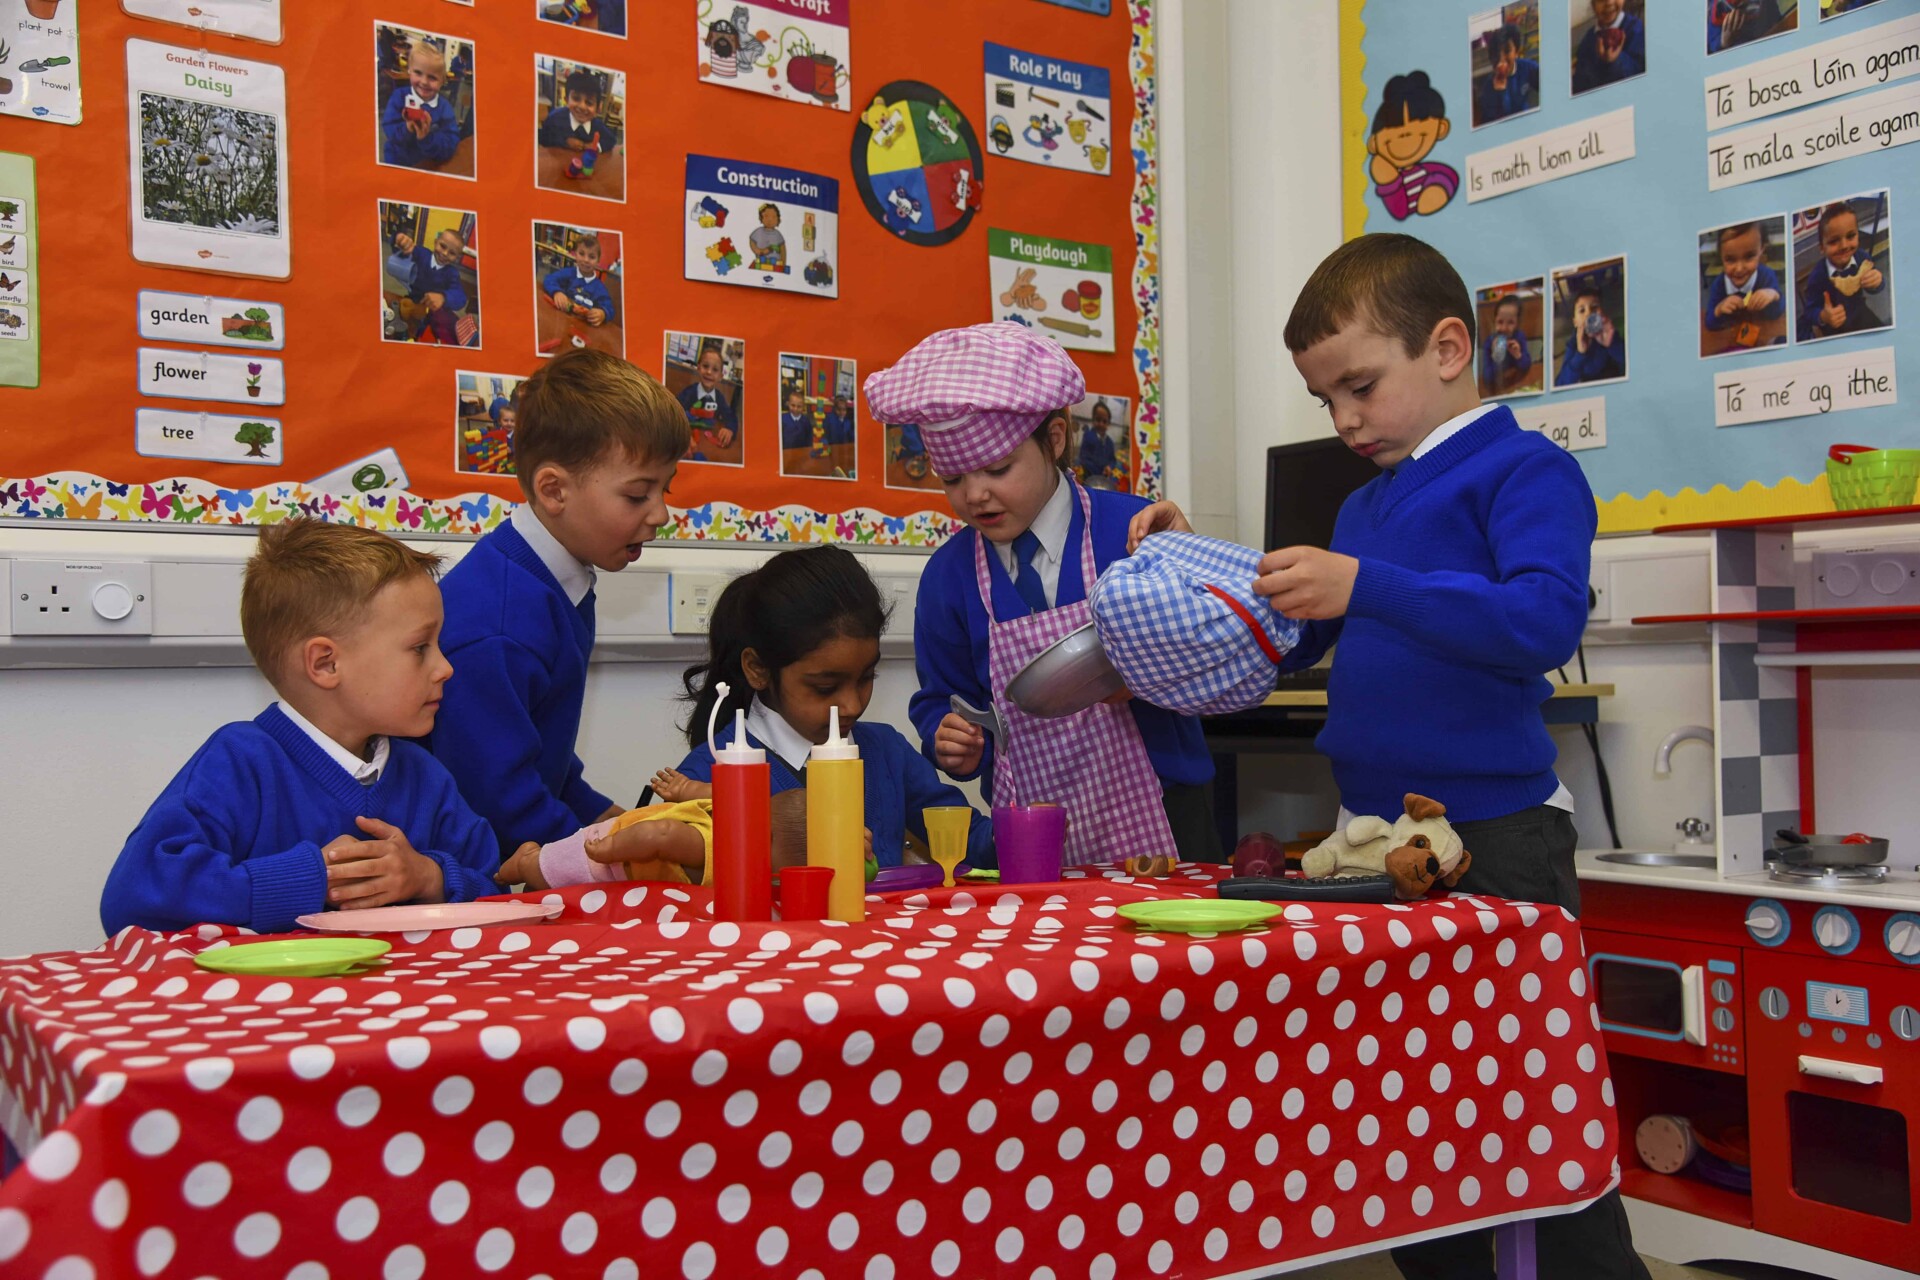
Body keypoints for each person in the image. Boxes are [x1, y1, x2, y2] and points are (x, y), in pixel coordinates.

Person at [1129, 233, 1647, 1280]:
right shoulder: (1364, 505)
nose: (1344, 420)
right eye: (1326, 400)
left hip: (1498, 841)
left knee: (1528, 1110)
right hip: (1373, 846)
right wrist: (1204, 565)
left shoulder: (1527, 470)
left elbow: (1542, 621)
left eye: (1359, 387)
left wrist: (1363, 583)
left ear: (1447, 348)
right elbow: (1299, 634)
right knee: (1407, 1120)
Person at [868, 322, 1217, 865]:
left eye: (998, 468)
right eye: (952, 479)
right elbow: (943, 699)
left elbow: (1210, 656)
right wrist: (948, 739)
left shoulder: (1134, 532)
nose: (975, 495)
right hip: (1027, 830)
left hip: (1168, 812)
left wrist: (1152, 667)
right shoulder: (948, 578)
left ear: (1054, 439)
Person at [101, 521, 499, 935]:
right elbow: (131, 899)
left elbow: (497, 890)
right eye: (420, 648)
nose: (445, 668)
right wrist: (312, 879)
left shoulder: (425, 776)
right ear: (325, 664)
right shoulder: (240, 763)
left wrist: (429, 878)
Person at [427, 349, 688, 855]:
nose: (660, 514)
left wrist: (609, 819)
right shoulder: (499, 623)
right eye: (638, 495)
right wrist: (599, 851)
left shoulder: (556, 581)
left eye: (666, 490)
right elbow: (497, 798)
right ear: (553, 491)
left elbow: (539, 752)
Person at [609, 545, 992, 871]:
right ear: (758, 669)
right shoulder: (708, 772)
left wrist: (1027, 820)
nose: (852, 704)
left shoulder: (889, 752)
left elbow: (969, 842)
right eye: (825, 687)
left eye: (866, 677)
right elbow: (692, 886)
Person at [494, 798, 713, 890]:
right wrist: (610, 848)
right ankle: (524, 860)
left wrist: (686, 787)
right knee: (541, 871)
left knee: (549, 886)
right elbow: (659, 834)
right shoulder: (712, 846)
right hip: (607, 859)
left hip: (622, 849)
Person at [1367, 72, 1458, 221]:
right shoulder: (1390, 182)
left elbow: (1448, 175)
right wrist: (1388, 180)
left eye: (1417, 124)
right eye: (1393, 129)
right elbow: (1399, 211)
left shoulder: (1429, 170)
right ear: (1374, 143)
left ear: (1441, 128)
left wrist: (1438, 188)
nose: (1404, 134)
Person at [1798, 201, 1888, 340]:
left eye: (1851, 236)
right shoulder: (1818, 276)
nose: (1844, 246)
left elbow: (1874, 285)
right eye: (1834, 241)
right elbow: (1809, 311)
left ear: (1858, 234)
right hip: (1833, 327)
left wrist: (1877, 281)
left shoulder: (1862, 259)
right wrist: (1823, 316)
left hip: (1860, 313)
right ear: (1822, 248)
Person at [381, 38, 462, 169]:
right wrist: (406, 129)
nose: (424, 82)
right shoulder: (399, 97)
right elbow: (389, 129)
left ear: (442, 82)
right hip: (397, 161)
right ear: (409, 71)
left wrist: (427, 137)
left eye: (432, 77)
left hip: (427, 165)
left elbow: (451, 143)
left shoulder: (444, 108)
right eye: (418, 73)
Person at [387, 227, 469, 347]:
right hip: (411, 301)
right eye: (443, 246)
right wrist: (399, 239)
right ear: (435, 242)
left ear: (457, 257)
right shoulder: (421, 253)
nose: (445, 254)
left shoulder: (452, 274)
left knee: (420, 337)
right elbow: (400, 252)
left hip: (432, 316)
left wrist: (444, 297)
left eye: (452, 253)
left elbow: (461, 298)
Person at [1703, 222, 1784, 335]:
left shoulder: (1767, 276)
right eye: (1730, 259)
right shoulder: (1719, 284)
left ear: (1761, 250)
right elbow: (1709, 323)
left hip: (1763, 334)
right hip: (1730, 337)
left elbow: (1778, 312)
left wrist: (1774, 295)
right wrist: (1719, 309)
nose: (1739, 269)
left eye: (1749, 256)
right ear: (1721, 256)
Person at [539, 67, 622, 154]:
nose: (582, 106)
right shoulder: (554, 119)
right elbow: (544, 138)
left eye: (589, 103)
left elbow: (611, 140)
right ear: (566, 100)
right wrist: (564, 142)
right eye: (576, 99)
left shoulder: (597, 125)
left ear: (597, 109)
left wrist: (596, 146)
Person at [1554, 285, 1625, 385]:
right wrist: (1580, 354)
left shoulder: (1609, 334)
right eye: (1582, 310)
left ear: (1603, 314)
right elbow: (1560, 384)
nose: (1589, 314)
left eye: (1594, 307)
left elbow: (1632, 363)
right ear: (1575, 322)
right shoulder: (1573, 344)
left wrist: (1612, 345)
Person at [542, 233, 617, 327]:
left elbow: (610, 309)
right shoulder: (568, 273)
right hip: (561, 322)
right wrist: (557, 292)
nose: (586, 260)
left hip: (584, 328)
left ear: (598, 261)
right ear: (575, 255)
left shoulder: (600, 288)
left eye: (591, 257)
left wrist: (602, 313)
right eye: (581, 254)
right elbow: (549, 279)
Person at [1571, 0, 1645, 94]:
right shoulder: (1588, 39)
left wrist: (1616, 60)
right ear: (1593, 5)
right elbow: (1580, 80)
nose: (1609, 2)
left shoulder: (1635, 29)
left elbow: (1639, 71)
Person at [677, 344, 739, 457]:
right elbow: (673, 413)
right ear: (698, 368)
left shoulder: (719, 398)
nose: (709, 372)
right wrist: (683, 435)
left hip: (707, 442)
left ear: (720, 376)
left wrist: (730, 429)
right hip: (686, 440)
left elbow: (731, 416)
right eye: (705, 366)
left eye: (715, 370)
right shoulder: (689, 393)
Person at [1474, 22, 1539, 125]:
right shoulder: (1488, 88)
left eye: (1507, 51)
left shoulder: (1528, 68)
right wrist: (1499, 93)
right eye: (1496, 54)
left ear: (1516, 51)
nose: (1502, 60)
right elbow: (1489, 121)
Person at [1480, 295, 1534, 394]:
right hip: (1498, 389)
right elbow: (1487, 378)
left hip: (1516, 384)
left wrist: (1518, 356)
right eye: (1500, 322)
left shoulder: (1519, 337)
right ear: (1494, 321)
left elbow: (1527, 366)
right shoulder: (1489, 342)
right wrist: (1496, 358)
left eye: (1510, 322)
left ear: (1517, 324)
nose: (1504, 328)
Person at [1711, 0, 1787, 54]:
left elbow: (1777, 19)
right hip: (1741, 54)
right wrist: (1724, 43)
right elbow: (1713, 45)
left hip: (1773, 43)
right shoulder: (1717, 8)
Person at [1076, 399, 1120, 484]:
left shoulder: (1110, 442)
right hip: (1090, 475)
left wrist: (1109, 467)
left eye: (1104, 421)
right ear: (1093, 420)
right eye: (1098, 420)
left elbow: (1113, 460)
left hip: (1105, 476)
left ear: (1108, 424)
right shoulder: (1088, 436)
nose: (1101, 424)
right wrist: (1099, 472)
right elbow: (1083, 458)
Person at [749, 202, 788, 272]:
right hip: (761, 262)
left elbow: (783, 250)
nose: (770, 220)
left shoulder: (778, 235)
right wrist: (759, 251)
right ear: (761, 218)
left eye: (773, 217)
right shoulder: (758, 231)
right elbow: (752, 241)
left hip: (776, 264)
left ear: (778, 219)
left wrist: (783, 264)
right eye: (766, 216)